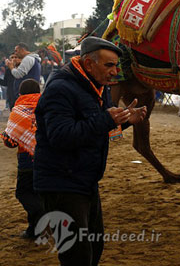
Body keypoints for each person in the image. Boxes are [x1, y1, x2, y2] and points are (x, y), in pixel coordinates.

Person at [33, 37, 147, 266]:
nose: (115, 72)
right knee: (78, 255)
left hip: (85, 179)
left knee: (95, 246)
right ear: (88, 64)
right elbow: (60, 136)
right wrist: (107, 119)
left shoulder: (97, 85)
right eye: (109, 65)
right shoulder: (60, 89)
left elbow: (96, 126)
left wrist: (124, 120)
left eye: (116, 65)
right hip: (61, 183)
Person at [1, 79, 45, 239]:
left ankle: (40, 218)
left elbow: (10, 142)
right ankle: (35, 230)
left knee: (23, 193)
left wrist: (7, 134)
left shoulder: (18, 110)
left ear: (20, 94)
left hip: (27, 160)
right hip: (48, 159)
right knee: (41, 193)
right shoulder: (46, 105)